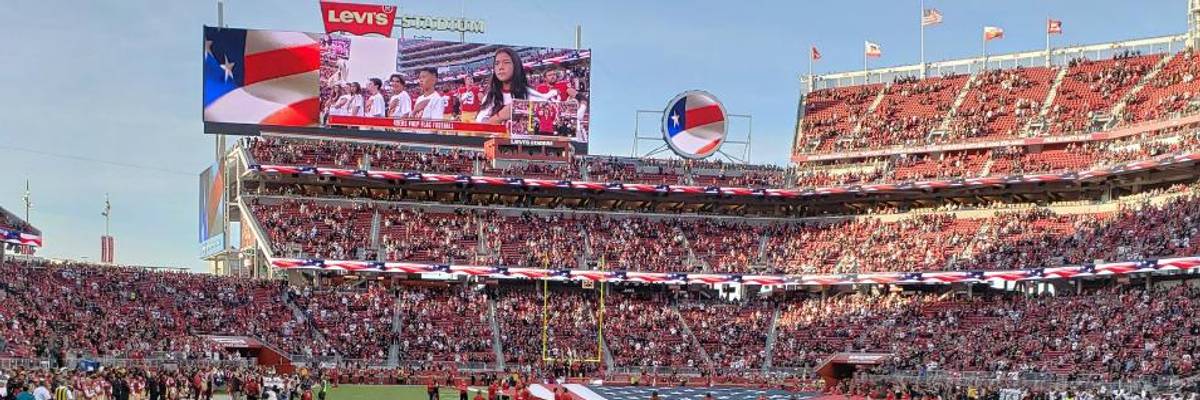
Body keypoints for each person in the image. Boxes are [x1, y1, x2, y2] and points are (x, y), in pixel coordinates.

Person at [475, 47, 552, 124]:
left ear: (516, 66)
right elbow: (479, 126)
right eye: (497, 63)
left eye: (506, 62)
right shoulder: (489, 97)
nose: (500, 67)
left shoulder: (533, 97)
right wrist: (500, 116)